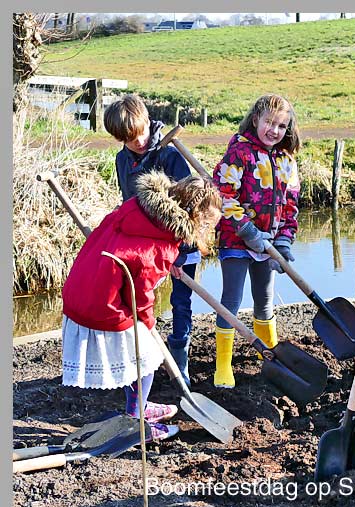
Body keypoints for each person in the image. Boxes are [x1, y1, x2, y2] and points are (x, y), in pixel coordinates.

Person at [61, 172, 222, 441]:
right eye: (206, 225)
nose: (206, 232)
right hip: (102, 304)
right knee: (145, 356)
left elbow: (130, 255)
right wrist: (147, 325)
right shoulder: (160, 248)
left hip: (82, 288)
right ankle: (137, 420)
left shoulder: (139, 208)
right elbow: (141, 295)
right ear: (192, 216)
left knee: (136, 354)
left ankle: (140, 405)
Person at [104, 94, 198, 387]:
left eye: (140, 133)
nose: (138, 142)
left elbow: (189, 208)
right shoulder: (122, 160)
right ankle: (142, 364)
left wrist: (175, 251)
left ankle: (180, 366)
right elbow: (128, 204)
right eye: (129, 139)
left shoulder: (170, 157)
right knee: (137, 302)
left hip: (180, 243)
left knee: (181, 302)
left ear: (147, 122)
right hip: (145, 248)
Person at [211, 93, 301, 388]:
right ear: (255, 120)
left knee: (264, 301)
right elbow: (223, 195)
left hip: (268, 242)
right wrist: (247, 232)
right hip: (237, 239)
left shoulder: (287, 160)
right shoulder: (240, 151)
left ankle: (271, 357)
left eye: (281, 126)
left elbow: (291, 205)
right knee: (231, 301)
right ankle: (223, 366)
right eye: (269, 123)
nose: (274, 131)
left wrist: (284, 242)